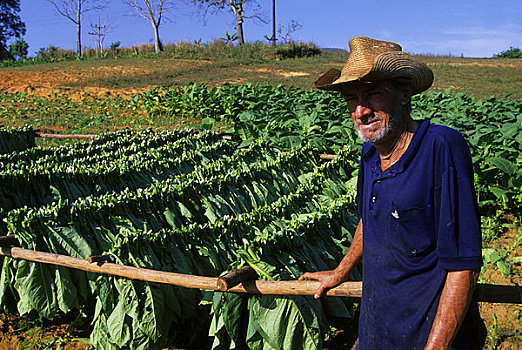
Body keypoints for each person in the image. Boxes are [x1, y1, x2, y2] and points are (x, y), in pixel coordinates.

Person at [299, 37, 486, 350]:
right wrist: (341, 270)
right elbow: (370, 220)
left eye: (373, 94)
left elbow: (463, 264)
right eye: (351, 98)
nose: (360, 110)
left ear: (404, 94)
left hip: (428, 337)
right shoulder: (370, 154)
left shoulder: (440, 148)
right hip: (377, 330)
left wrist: (435, 347)